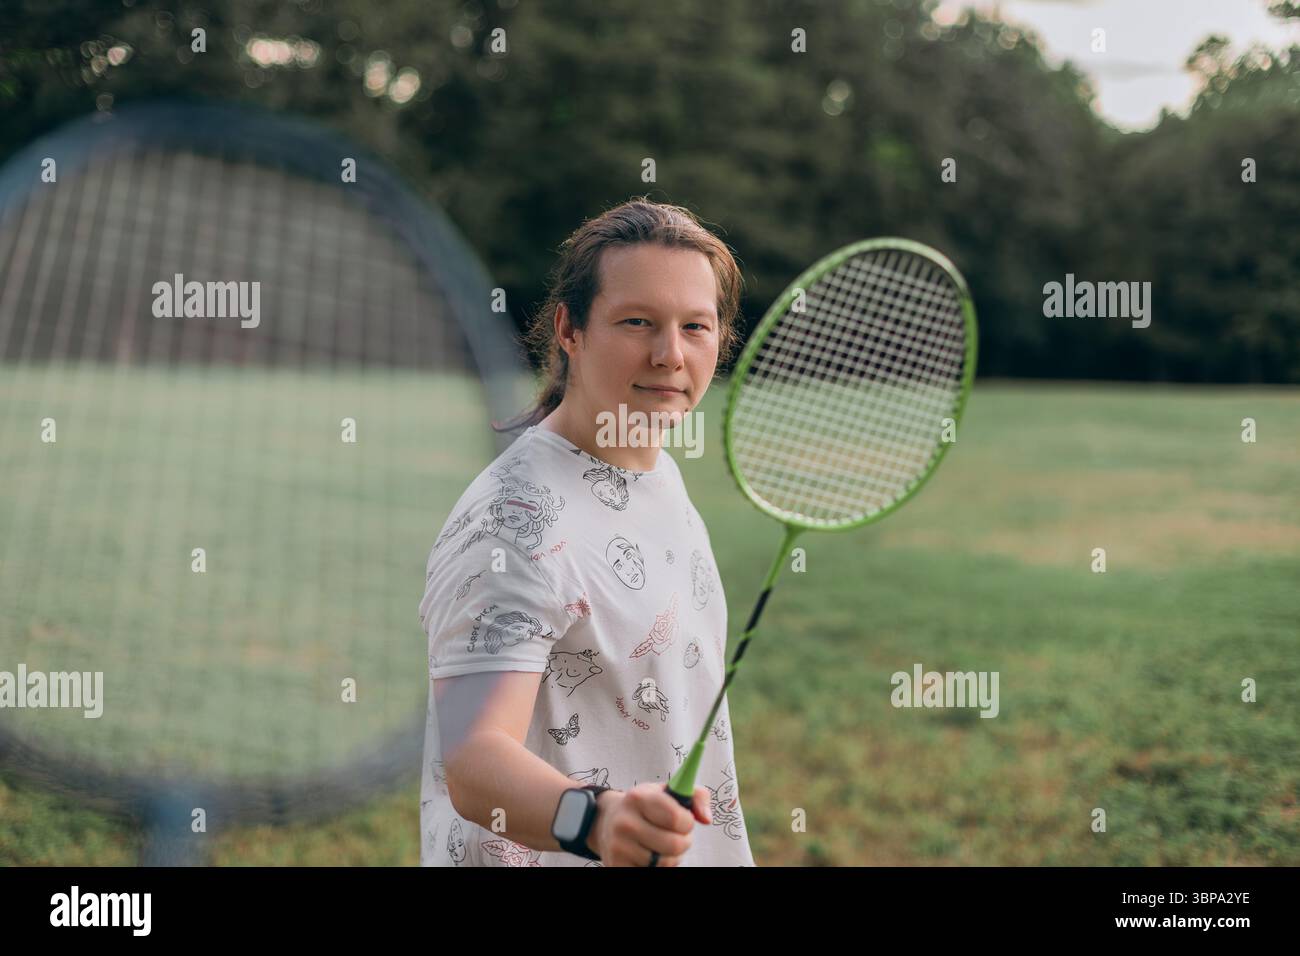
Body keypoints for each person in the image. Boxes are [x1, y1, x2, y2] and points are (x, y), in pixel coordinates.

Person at [418, 197, 754, 866]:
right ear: (570, 330)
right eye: (638, 322)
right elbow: (473, 758)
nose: (670, 354)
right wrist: (596, 820)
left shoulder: (654, 472)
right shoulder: (514, 523)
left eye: (696, 326)